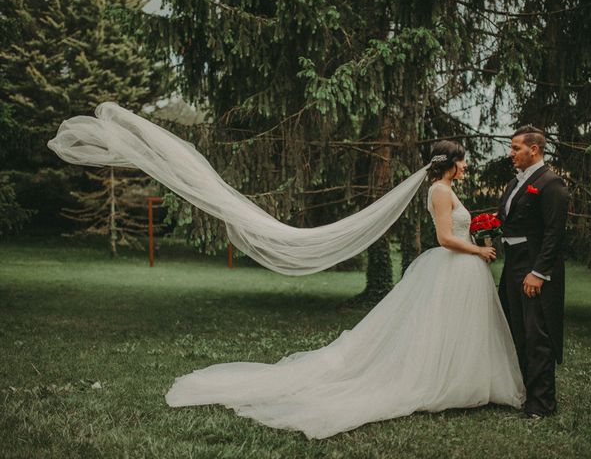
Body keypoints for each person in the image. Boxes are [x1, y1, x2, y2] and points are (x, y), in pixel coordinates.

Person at [165, 140, 525, 439]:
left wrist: (478, 233)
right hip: (453, 266)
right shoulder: (440, 190)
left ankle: (467, 382)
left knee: (459, 331)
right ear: (452, 162)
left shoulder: (446, 189)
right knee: (441, 330)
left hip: (461, 271)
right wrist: (478, 248)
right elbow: (445, 237)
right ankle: (448, 384)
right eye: (463, 162)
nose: (466, 167)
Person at [497, 126, 569, 419]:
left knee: (537, 333)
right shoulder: (515, 183)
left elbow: (554, 233)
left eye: (516, 148)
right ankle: (527, 393)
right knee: (518, 330)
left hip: (534, 266)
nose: (511, 153)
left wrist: (538, 272)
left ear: (534, 150)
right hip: (512, 264)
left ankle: (542, 405)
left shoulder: (551, 184)